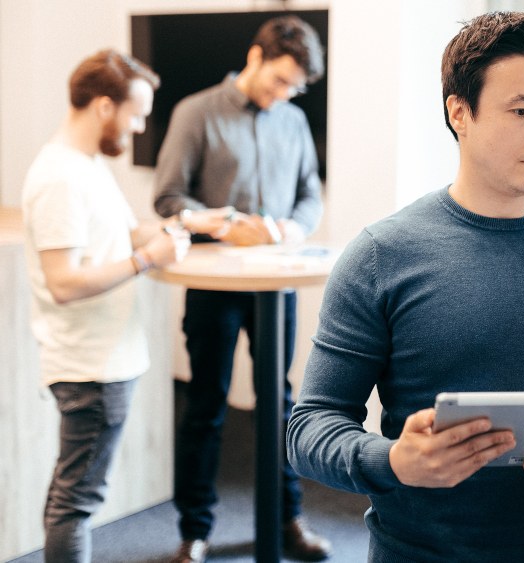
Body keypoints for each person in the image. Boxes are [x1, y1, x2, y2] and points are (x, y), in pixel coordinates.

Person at [286, 11, 524, 562]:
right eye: (522, 111)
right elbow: (309, 428)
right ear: (459, 112)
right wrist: (393, 461)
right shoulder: (381, 255)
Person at [21, 48, 229, 563]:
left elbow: (119, 233)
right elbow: (63, 282)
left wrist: (185, 224)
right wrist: (145, 259)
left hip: (104, 358)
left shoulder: (85, 166)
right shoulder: (60, 178)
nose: (138, 128)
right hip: (91, 366)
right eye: (136, 115)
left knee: (74, 493)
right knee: (77, 500)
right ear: (103, 106)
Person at [152, 14, 331, 563]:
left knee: (280, 402)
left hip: (275, 284)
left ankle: (286, 518)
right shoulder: (196, 112)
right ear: (256, 57)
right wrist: (227, 224)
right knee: (207, 404)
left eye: (294, 88)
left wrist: (292, 228)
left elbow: (310, 194)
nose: (284, 95)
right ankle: (194, 530)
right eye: (279, 81)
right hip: (214, 284)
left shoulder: (293, 121)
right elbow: (168, 198)